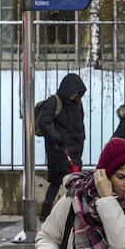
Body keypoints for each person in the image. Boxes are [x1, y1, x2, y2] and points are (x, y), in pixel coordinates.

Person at [38, 73, 87, 219]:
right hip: (58, 150)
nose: (75, 95)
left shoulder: (77, 103)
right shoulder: (54, 101)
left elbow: (80, 125)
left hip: (75, 149)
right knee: (56, 182)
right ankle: (46, 212)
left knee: (75, 182)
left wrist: (81, 140)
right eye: (73, 92)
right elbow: (44, 123)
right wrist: (57, 138)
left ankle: (72, 212)